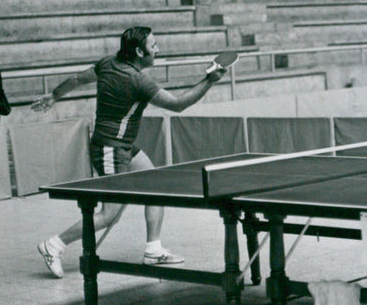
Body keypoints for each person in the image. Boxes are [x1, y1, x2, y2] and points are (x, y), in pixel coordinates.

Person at [33, 26, 226, 278]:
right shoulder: (138, 81)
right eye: (153, 45)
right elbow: (178, 104)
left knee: (155, 186)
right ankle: (53, 245)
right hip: (111, 149)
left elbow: (79, 78)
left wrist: (54, 95)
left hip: (120, 145)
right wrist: (209, 80)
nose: (157, 49)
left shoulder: (108, 63)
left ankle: (153, 250)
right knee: (109, 214)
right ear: (139, 51)